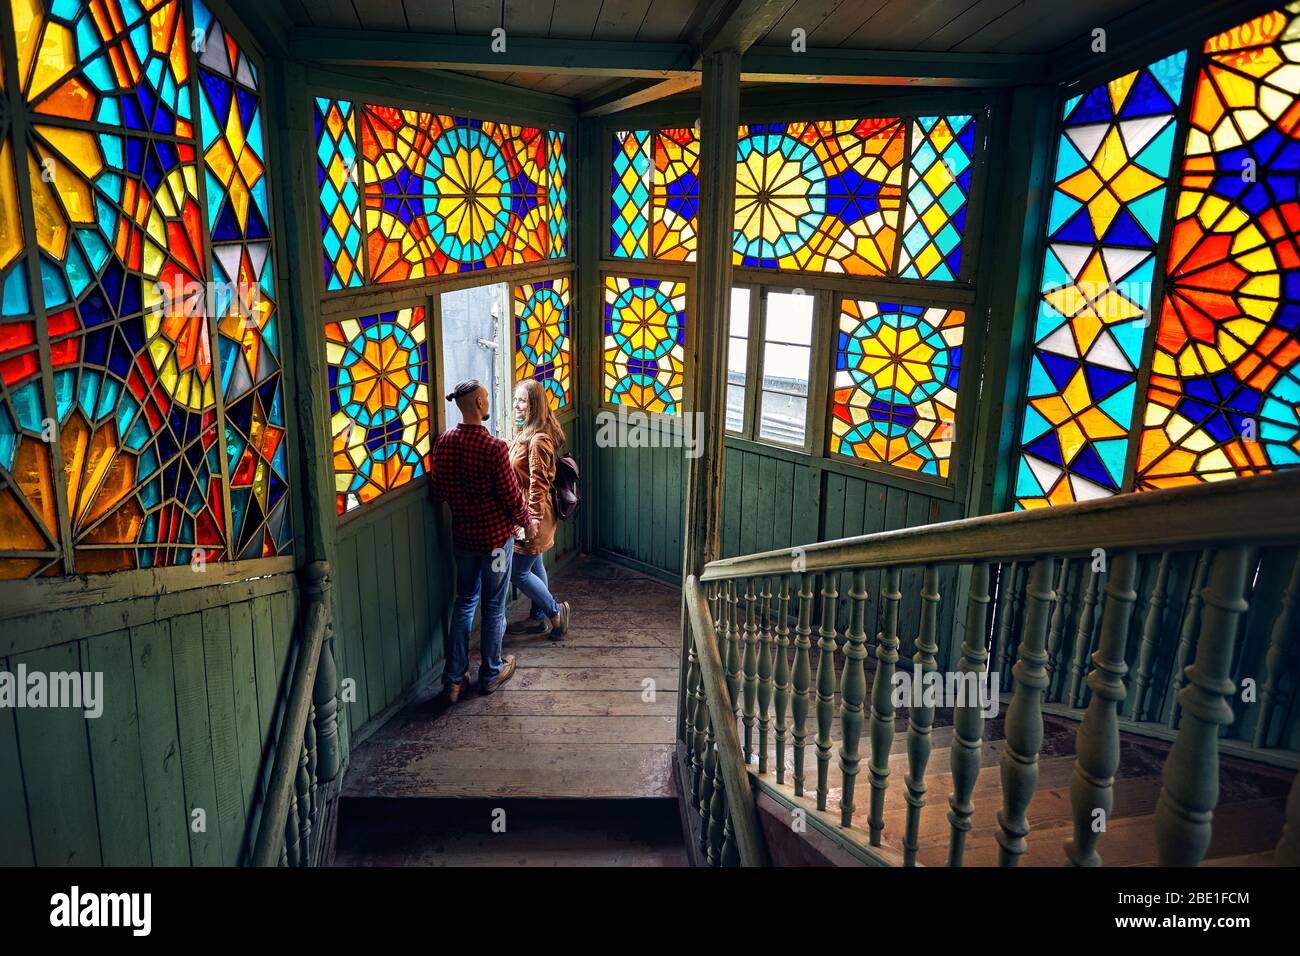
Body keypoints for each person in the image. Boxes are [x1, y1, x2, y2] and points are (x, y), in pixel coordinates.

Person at [430, 380, 528, 702]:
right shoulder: (495, 448)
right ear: (477, 405)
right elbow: (513, 498)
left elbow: (438, 492)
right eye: (485, 397)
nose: (488, 402)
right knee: (493, 605)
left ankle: (454, 680)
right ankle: (490, 672)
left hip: (463, 540)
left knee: (464, 602)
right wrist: (526, 522)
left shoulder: (443, 443)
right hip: (497, 543)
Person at [506, 379, 571, 639]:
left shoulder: (538, 440)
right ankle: (536, 619)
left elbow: (539, 485)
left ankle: (556, 615)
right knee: (535, 565)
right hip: (529, 514)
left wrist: (529, 521)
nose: (516, 405)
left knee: (517, 571)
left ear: (534, 405)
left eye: (522, 400)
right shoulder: (527, 433)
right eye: (515, 400)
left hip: (535, 515)